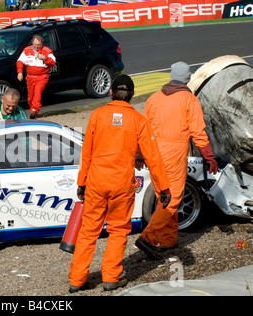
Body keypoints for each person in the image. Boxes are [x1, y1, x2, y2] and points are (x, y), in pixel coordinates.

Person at [68, 74, 171, 293]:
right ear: (132, 95)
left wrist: (82, 182)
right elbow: (153, 156)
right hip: (121, 183)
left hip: (96, 181)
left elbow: (87, 152)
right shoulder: (138, 120)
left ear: (111, 92)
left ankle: (77, 280)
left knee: (88, 231)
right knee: (117, 231)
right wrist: (163, 187)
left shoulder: (97, 115)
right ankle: (111, 277)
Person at [135, 61, 218, 260]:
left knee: (162, 199)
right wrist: (208, 157)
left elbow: (143, 130)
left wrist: (139, 154)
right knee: (172, 200)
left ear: (171, 76)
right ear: (187, 79)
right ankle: (148, 237)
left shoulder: (154, 98)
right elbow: (198, 132)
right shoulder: (189, 100)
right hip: (173, 155)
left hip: (154, 154)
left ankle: (167, 240)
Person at [17, 35, 56, 119]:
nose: (36, 46)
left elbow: (53, 62)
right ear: (32, 43)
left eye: (38, 44)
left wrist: (44, 58)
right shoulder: (27, 50)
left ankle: (34, 110)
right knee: (30, 97)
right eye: (35, 44)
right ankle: (33, 113)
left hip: (42, 77)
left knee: (37, 93)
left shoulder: (47, 51)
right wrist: (20, 72)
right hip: (30, 77)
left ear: (42, 44)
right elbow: (20, 61)